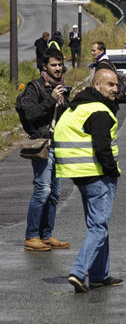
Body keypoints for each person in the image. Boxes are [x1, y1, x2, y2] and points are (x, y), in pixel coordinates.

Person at [54, 68, 123, 293]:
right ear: (97, 86)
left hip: (79, 174)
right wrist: (112, 171)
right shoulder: (99, 111)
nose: (115, 89)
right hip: (97, 175)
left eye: (116, 85)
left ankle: (99, 275)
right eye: (110, 85)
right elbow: (102, 148)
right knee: (98, 228)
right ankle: (78, 271)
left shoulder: (77, 107)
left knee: (98, 225)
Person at [18, 48, 71, 252]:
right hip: (43, 143)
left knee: (55, 192)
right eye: (54, 65)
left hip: (59, 144)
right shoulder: (35, 87)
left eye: (60, 65)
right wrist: (51, 99)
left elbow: (63, 116)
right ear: (44, 67)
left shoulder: (61, 86)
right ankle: (32, 236)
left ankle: (46, 235)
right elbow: (30, 114)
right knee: (43, 189)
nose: (58, 68)